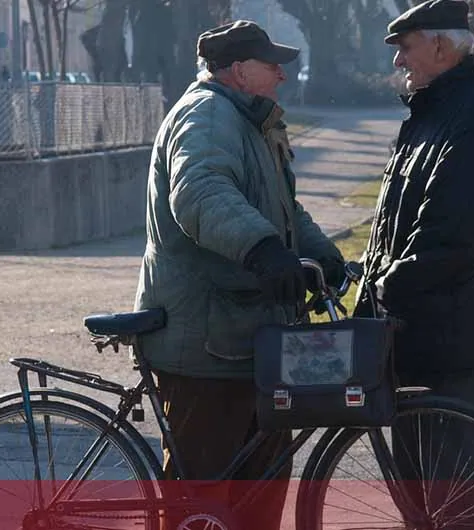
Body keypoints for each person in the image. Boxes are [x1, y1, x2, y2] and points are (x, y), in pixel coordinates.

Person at [131, 19, 346, 530]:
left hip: (248, 339)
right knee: (200, 502)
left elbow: (283, 211)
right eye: (272, 64)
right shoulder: (207, 116)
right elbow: (201, 194)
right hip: (206, 345)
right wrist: (265, 252)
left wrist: (326, 258)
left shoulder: (249, 120)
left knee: (255, 496)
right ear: (237, 70)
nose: (282, 75)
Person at [353, 0, 474, 527]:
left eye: (405, 47)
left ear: (441, 47)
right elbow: (394, 226)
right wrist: (368, 280)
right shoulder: (432, 113)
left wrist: (383, 286)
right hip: (414, 338)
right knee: (423, 507)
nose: (399, 62)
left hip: (450, 341)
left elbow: (452, 237)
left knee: (458, 506)